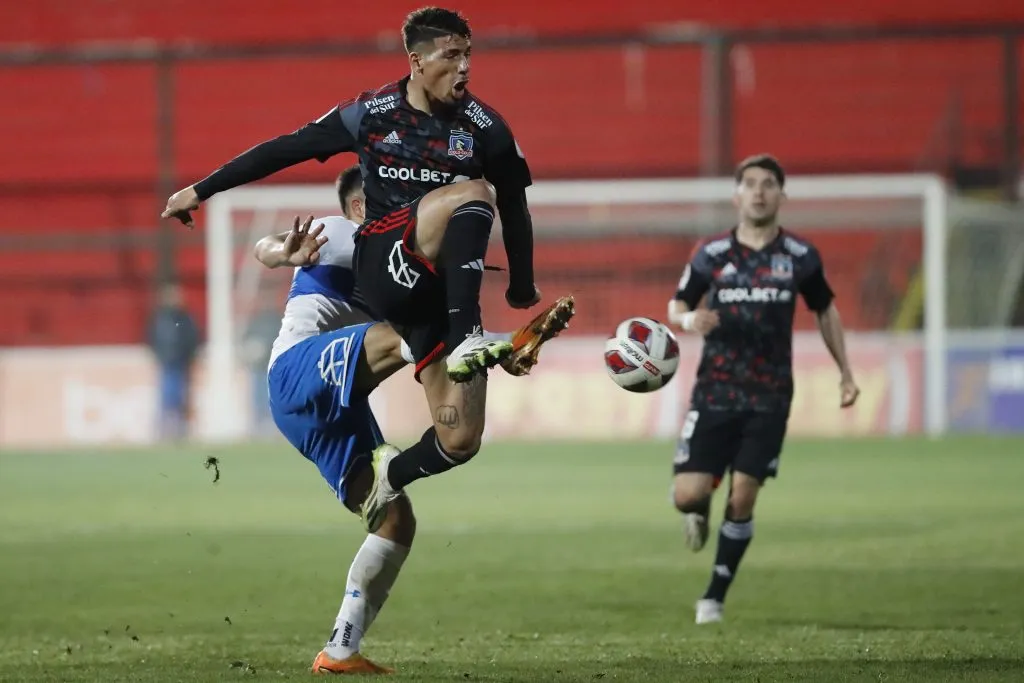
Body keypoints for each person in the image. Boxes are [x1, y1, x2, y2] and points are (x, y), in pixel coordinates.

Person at [162, 8, 540, 533]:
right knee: (474, 194)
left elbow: (517, 209)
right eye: (451, 55)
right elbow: (287, 148)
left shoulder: (486, 129)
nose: (465, 68)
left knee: (460, 438)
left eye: (468, 55)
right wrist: (201, 189)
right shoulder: (371, 113)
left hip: (433, 296)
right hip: (384, 260)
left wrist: (523, 284)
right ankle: (467, 337)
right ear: (417, 60)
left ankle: (393, 473)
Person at [252, 171, 573, 674]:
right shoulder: (340, 234)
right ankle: (489, 345)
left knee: (397, 519)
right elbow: (264, 247)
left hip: (333, 407)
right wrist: (282, 252)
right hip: (295, 375)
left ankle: (339, 651)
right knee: (401, 332)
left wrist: (492, 359)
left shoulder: (418, 274)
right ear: (361, 206)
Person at [667, 154, 860, 625]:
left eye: (768, 184)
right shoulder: (710, 254)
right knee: (687, 496)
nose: (758, 191)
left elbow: (825, 311)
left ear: (781, 195)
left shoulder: (799, 257)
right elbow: (676, 306)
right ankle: (703, 495)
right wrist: (691, 319)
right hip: (714, 389)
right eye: (750, 183)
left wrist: (846, 372)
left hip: (769, 395)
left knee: (744, 498)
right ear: (737, 195)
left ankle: (713, 597)